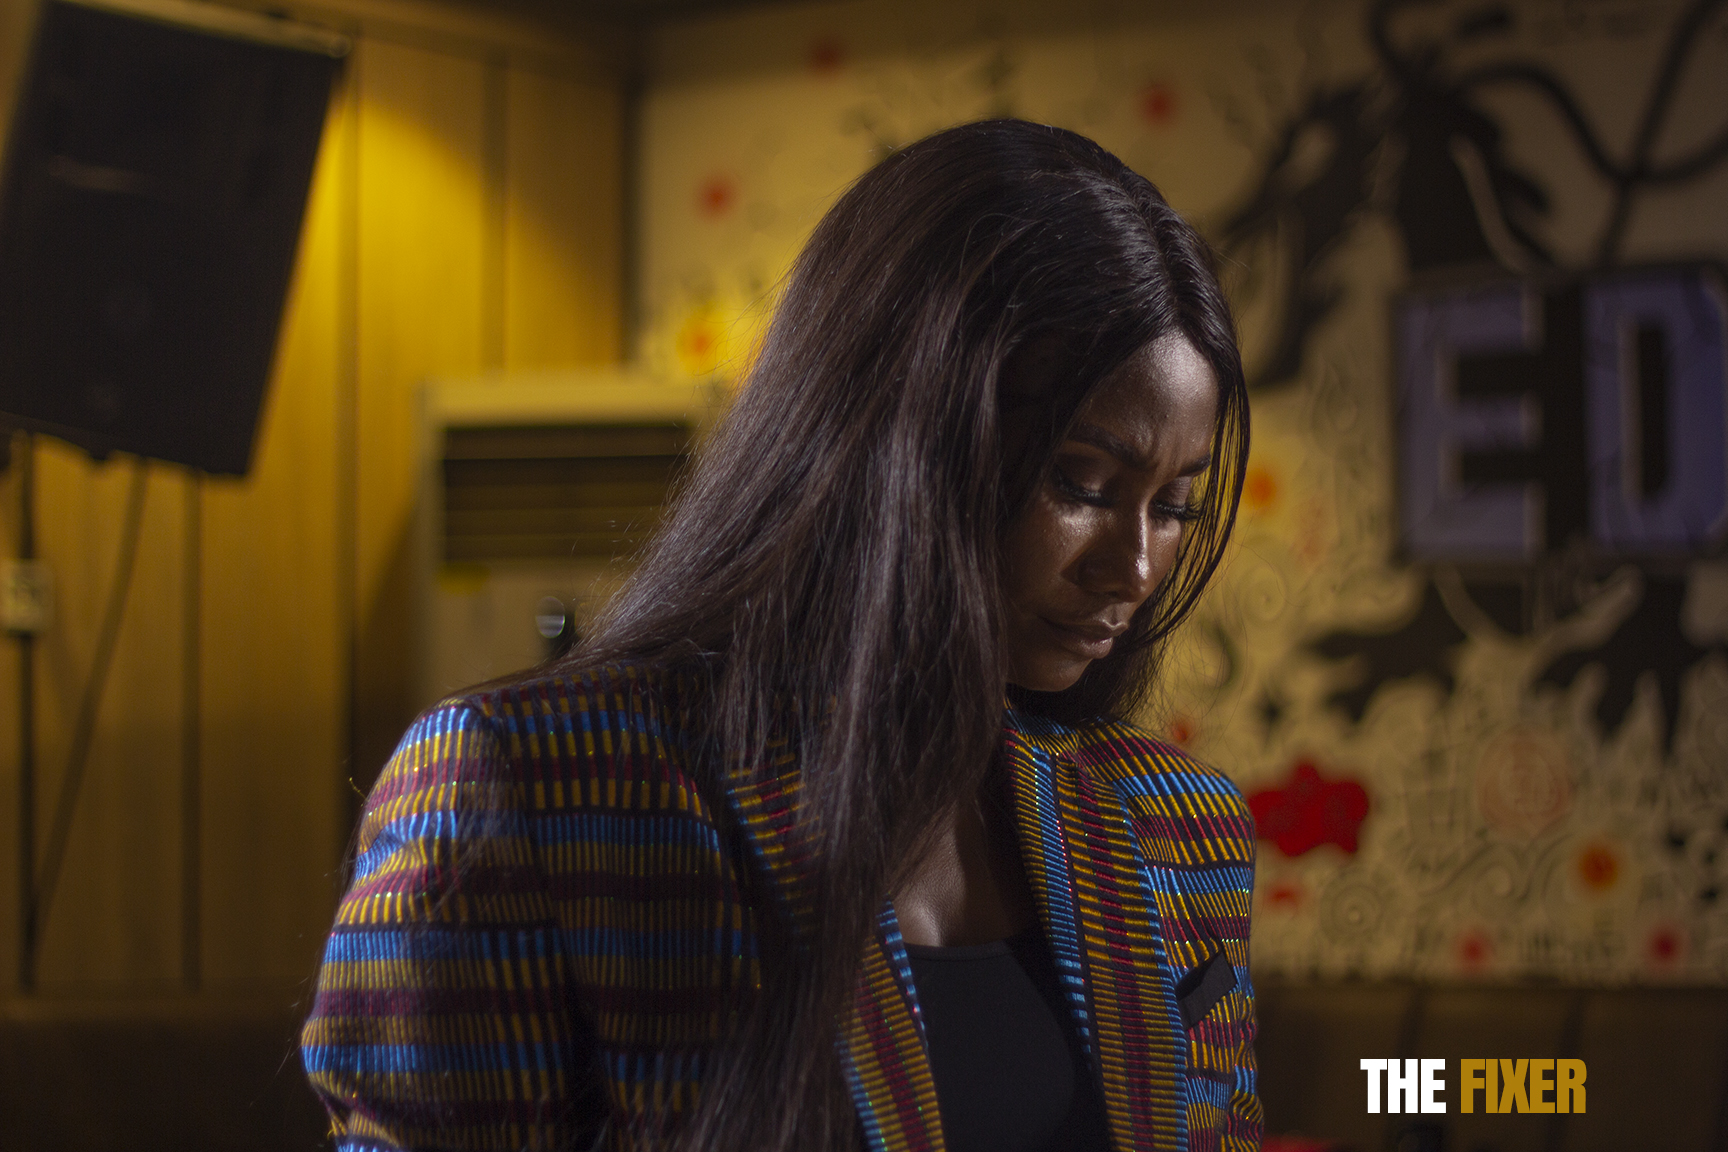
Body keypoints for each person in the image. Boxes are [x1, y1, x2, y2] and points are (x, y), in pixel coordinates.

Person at [301, 118, 1258, 1152]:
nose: (1137, 569)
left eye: (1175, 505)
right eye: (1084, 483)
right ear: (898, 437)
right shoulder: (526, 790)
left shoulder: (1177, 827)